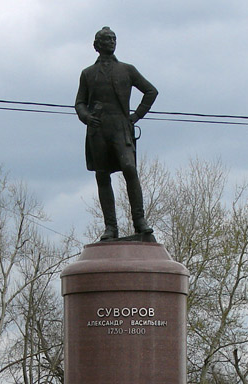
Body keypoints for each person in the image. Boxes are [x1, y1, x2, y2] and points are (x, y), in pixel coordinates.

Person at [75, 26, 158, 241]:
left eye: (113, 38)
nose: (111, 41)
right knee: (102, 176)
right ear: (97, 45)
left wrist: (136, 116)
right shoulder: (88, 73)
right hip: (98, 131)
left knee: (130, 169)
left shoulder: (127, 70)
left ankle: (139, 221)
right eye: (107, 39)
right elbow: (79, 103)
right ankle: (110, 227)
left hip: (121, 129)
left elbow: (151, 91)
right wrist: (86, 116)